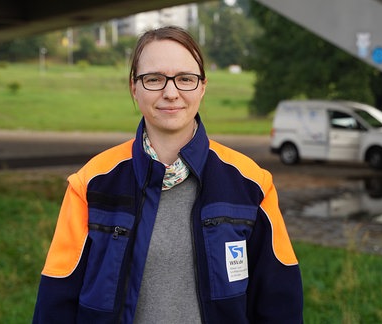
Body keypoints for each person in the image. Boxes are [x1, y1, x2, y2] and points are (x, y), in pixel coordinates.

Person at [33, 26, 303, 323]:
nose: (171, 92)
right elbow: (55, 304)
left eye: (185, 79)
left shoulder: (251, 184)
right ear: (133, 87)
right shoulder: (91, 183)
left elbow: (280, 304)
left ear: (202, 87)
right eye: (154, 79)